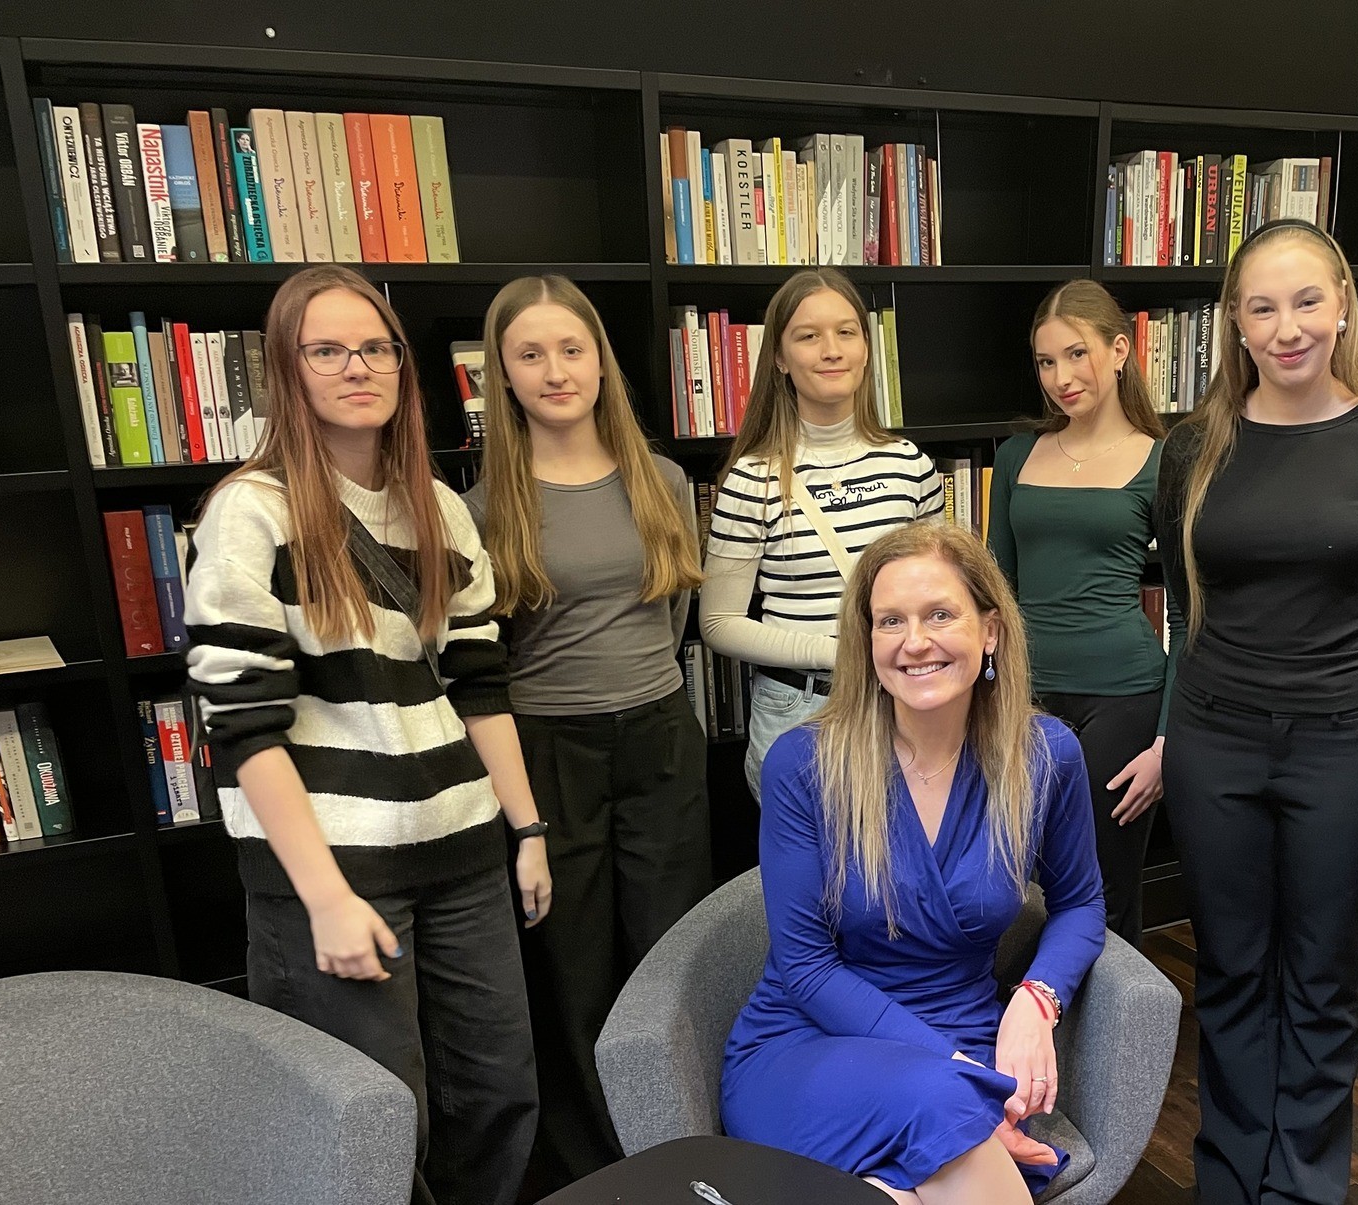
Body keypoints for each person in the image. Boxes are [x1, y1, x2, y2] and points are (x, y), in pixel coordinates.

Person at [184, 265, 545, 1205]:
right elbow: (243, 725)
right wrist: (326, 899)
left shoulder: (438, 504)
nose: (357, 367)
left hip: (462, 853)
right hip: (336, 868)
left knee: (496, 1096)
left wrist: (527, 828)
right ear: (287, 369)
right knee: (375, 1124)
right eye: (328, 350)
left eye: (376, 348)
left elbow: (479, 683)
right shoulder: (250, 511)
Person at [1155, 218, 1358, 1203]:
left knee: (1322, 975)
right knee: (1231, 968)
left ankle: (1301, 1184)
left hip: (1340, 746)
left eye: (1305, 301)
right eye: (1262, 308)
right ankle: (1229, 1174)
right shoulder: (1193, 446)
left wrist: (1352, 699)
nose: (1286, 328)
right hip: (1214, 743)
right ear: (1235, 323)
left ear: (1341, 307)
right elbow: (1185, 599)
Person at [721, 522, 1105, 1204]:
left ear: (990, 631)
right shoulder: (803, 765)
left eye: (940, 614)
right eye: (890, 620)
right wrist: (961, 1079)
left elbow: (1080, 902)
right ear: (866, 641)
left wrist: (1035, 1000)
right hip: (805, 1047)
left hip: (961, 1030)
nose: (915, 641)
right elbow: (806, 968)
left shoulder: (1046, 754)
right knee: (947, 1112)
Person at [462, 275, 709, 1189]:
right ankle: (597, 1166)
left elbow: (672, 621)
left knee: (668, 949)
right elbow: (481, 662)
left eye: (573, 349)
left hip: (660, 735)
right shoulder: (483, 506)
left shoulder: (663, 480)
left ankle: (676, 1142)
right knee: (573, 967)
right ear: (503, 374)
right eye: (530, 354)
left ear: (601, 361)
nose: (555, 370)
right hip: (547, 751)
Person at [701, 268, 944, 800]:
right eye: (808, 336)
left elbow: (942, 595)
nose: (831, 350)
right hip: (800, 710)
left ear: (866, 349)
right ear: (780, 358)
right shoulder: (751, 479)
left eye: (846, 332)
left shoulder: (911, 466)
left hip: (904, 703)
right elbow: (718, 624)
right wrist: (838, 652)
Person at [987, 279, 1166, 947]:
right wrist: (988, 697)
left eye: (1076, 354)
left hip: (1125, 698)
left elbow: (1192, 610)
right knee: (1020, 888)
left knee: (1104, 889)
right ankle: (1032, 1010)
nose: (1061, 378)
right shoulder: (1015, 455)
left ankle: (1118, 1017)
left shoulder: (1162, 460)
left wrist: (1166, 744)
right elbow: (994, 594)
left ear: (1119, 350)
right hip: (1026, 697)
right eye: (1046, 361)